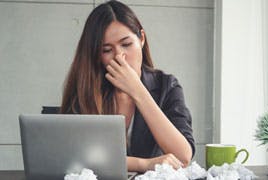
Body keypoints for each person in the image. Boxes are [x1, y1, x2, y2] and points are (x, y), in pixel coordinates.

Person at [60, 0, 195, 173]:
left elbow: (183, 157)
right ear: (96, 56)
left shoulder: (167, 86)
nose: (120, 57)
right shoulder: (85, 88)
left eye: (126, 44)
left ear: (142, 39)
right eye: (107, 50)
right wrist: (143, 164)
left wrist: (137, 90)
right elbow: (74, 156)